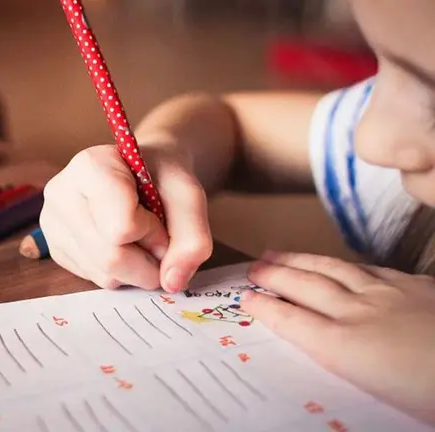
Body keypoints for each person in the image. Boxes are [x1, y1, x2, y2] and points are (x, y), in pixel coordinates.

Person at [39, 0, 435, 426]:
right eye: (380, 71)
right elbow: (231, 124)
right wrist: (165, 154)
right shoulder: (396, 139)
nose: (369, 140)